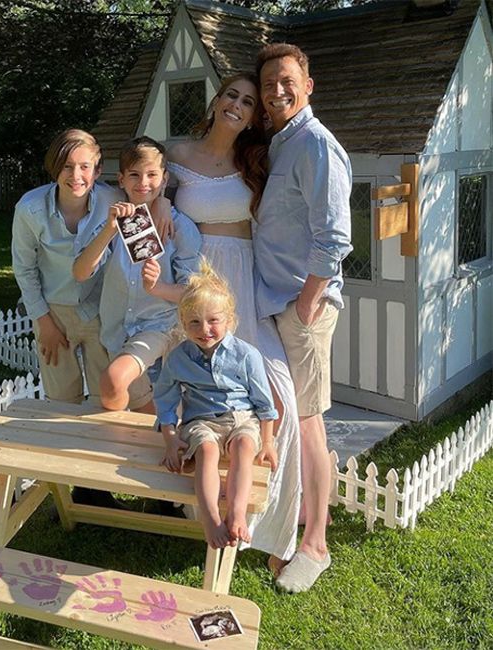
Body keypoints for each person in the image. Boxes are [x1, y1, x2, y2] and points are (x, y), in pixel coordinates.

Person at [167, 75, 301, 570]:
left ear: (252, 115)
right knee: (198, 390)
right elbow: (144, 197)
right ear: (216, 99)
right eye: (232, 96)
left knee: (277, 390)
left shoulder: (256, 159)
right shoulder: (176, 152)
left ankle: (267, 529)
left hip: (242, 277)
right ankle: (199, 511)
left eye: (248, 102)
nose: (238, 106)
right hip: (197, 280)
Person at [254, 43, 353, 592]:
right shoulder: (282, 143)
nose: (277, 91)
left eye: (287, 81)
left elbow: (335, 236)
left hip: (302, 306)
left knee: (311, 423)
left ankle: (315, 543)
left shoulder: (315, 143)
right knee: (299, 417)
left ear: (308, 85)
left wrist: (307, 303)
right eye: (269, 84)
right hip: (282, 303)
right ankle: (313, 516)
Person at [154, 262, 278, 548]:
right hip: (202, 422)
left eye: (213, 321)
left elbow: (264, 404)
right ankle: (210, 518)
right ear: (183, 323)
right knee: (208, 452)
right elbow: (166, 400)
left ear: (229, 320)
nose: (205, 330)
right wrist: (171, 442)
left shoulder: (246, 356)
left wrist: (268, 442)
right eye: (194, 322)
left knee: (245, 447)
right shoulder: (178, 358)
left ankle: (236, 514)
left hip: (241, 419)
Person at [73, 136, 201, 413]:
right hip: (116, 330)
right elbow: (81, 272)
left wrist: (157, 288)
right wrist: (109, 229)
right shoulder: (114, 222)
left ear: (164, 178)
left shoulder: (180, 228)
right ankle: (149, 447)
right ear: (121, 179)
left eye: (152, 175)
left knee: (112, 381)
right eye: (134, 175)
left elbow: (193, 293)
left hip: (158, 326)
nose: (143, 182)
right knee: (147, 412)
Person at [11, 128, 119, 405]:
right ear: (54, 168)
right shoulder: (30, 209)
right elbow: (24, 269)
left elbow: (151, 193)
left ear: (98, 170)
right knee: (60, 399)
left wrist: (164, 204)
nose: (76, 176)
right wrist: (43, 322)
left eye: (85, 167)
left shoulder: (112, 201)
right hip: (53, 312)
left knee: (107, 396)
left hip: (100, 309)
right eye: (67, 167)